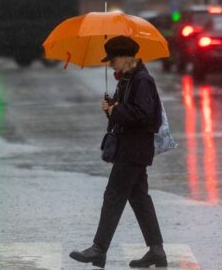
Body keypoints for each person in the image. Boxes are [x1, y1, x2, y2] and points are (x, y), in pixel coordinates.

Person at [69, 36, 167, 268]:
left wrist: (116, 109)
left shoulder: (142, 80)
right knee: (139, 198)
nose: (110, 64)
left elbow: (144, 115)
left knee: (113, 196)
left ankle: (99, 249)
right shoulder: (128, 79)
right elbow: (126, 111)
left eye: (113, 59)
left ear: (125, 57)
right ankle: (157, 251)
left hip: (134, 149)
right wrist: (111, 107)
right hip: (130, 147)